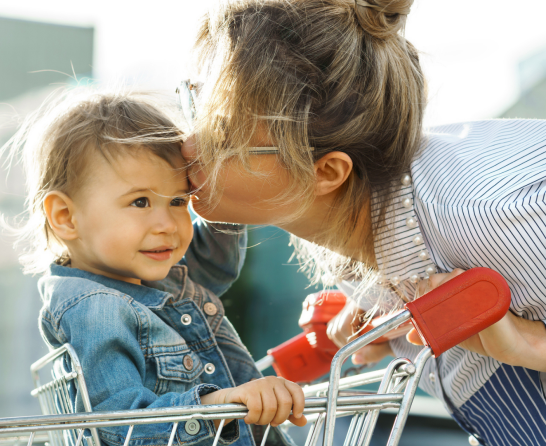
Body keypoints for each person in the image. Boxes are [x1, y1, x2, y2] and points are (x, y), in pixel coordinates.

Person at [179, 0, 546, 445]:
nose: (187, 143)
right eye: (195, 104)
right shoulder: (354, 226)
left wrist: (530, 344)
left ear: (326, 172)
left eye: (223, 135)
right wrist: (386, 311)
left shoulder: (493, 214)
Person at [1, 89, 306, 446]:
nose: (168, 224)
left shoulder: (146, 275)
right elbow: (119, 422)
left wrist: (225, 187)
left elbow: (215, 264)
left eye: (178, 200)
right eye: (141, 201)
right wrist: (215, 405)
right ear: (66, 217)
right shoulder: (94, 307)